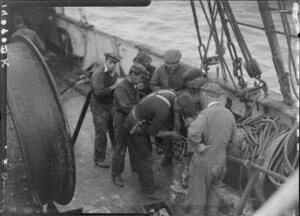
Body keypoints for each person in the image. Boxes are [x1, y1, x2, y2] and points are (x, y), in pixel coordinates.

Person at [124, 90, 195, 197]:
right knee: (145, 158)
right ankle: (148, 190)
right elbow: (152, 133)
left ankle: (139, 172)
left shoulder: (172, 94)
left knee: (139, 151)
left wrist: (176, 119)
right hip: (136, 125)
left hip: (137, 116)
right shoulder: (163, 111)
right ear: (179, 107)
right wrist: (170, 133)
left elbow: (175, 109)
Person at [184, 82, 237, 216]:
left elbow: (192, 132)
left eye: (202, 95)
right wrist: (222, 152)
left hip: (203, 163)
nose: (201, 98)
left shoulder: (206, 114)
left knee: (197, 199)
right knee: (213, 198)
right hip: (220, 162)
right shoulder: (230, 115)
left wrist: (198, 146)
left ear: (206, 96)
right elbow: (234, 141)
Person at [150, 49, 188, 166]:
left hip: (180, 105)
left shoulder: (184, 70)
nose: (171, 68)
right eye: (168, 65)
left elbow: (189, 88)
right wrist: (165, 92)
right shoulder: (160, 70)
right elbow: (153, 84)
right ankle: (168, 156)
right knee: (167, 131)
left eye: (174, 65)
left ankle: (183, 151)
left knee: (182, 129)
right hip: (165, 105)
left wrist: (178, 93)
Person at [111, 63, 146, 187]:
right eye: (140, 77)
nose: (141, 80)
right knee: (120, 149)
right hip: (121, 120)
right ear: (133, 75)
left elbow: (136, 101)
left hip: (131, 119)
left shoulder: (133, 85)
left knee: (134, 145)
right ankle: (116, 175)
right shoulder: (121, 87)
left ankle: (135, 168)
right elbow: (125, 107)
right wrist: (142, 110)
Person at [90, 52, 120, 168]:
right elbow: (99, 92)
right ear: (106, 61)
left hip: (109, 104)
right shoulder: (98, 74)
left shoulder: (113, 73)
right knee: (101, 132)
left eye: (115, 63)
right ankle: (99, 158)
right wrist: (114, 86)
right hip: (98, 105)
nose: (113, 65)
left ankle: (116, 147)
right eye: (111, 62)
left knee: (113, 127)